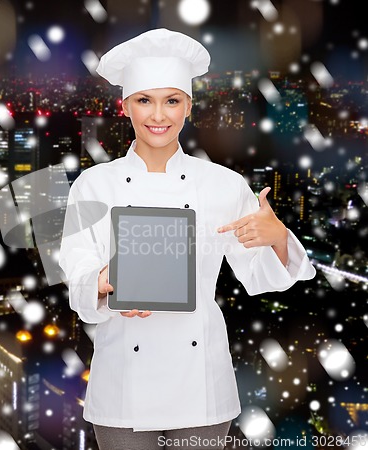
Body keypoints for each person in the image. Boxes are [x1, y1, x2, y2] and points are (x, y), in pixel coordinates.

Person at [59, 28, 316, 450]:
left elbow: (259, 277)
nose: (158, 115)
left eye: (172, 100)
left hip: (200, 383)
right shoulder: (93, 185)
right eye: (144, 100)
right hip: (123, 382)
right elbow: (78, 270)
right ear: (125, 107)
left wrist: (278, 236)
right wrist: (105, 282)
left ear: (188, 108)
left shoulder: (223, 185)